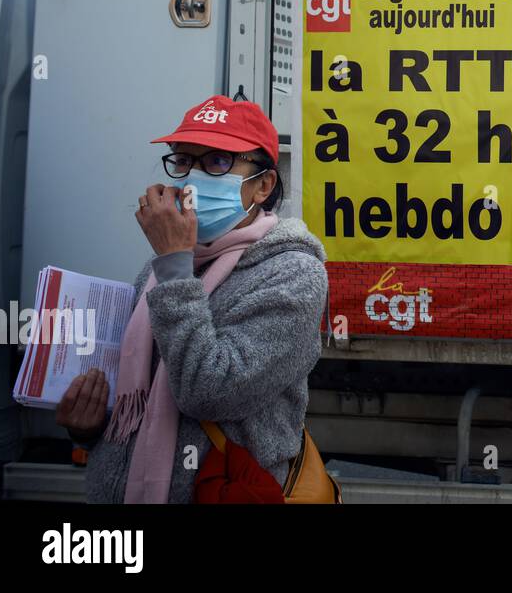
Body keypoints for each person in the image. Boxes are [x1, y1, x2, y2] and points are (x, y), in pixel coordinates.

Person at [55, 95, 328, 504]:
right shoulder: (164, 267)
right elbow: (137, 411)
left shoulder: (293, 274)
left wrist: (174, 266)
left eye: (217, 161)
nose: (191, 178)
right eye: (183, 160)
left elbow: (209, 394)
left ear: (263, 185)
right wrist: (89, 428)